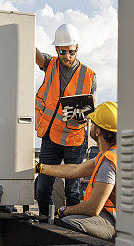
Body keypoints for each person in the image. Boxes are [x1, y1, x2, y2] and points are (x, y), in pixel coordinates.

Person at [34, 23, 97, 217]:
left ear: (76, 48)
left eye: (71, 51)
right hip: (50, 138)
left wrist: (85, 114)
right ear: (56, 50)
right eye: (62, 52)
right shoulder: (50, 64)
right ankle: (46, 221)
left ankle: (70, 225)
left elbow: (92, 107)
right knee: (43, 189)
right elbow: (32, 52)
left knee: (73, 192)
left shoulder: (89, 75)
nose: (67, 56)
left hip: (74, 140)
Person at [35, 101, 117, 241]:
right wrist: (41, 168)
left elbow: (93, 208)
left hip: (115, 221)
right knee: (67, 220)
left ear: (97, 131)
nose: (89, 125)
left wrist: (64, 211)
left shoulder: (108, 162)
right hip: (112, 215)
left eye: (92, 123)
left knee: (65, 224)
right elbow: (75, 169)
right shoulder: (107, 154)